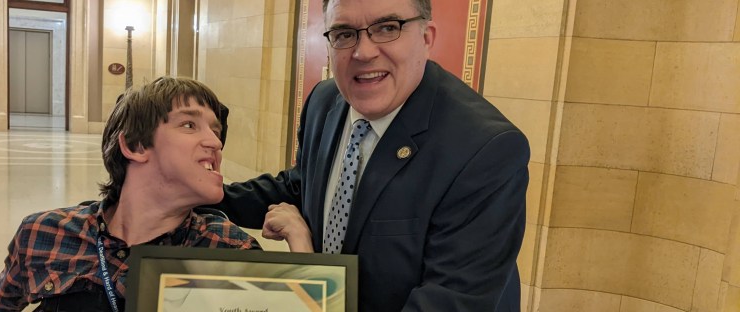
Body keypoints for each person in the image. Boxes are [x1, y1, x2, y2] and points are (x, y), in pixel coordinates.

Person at [215, 0, 530, 311]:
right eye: (343, 33)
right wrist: (200, 195)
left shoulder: (485, 150)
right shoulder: (324, 101)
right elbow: (301, 186)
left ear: (426, 37)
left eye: (387, 28)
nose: (363, 52)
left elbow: (450, 300)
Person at [0, 77, 271, 312]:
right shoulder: (45, 233)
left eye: (216, 131)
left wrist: (301, 249)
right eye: (189, 125)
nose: (215, 143)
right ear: (134, 146)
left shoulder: (230, 249)